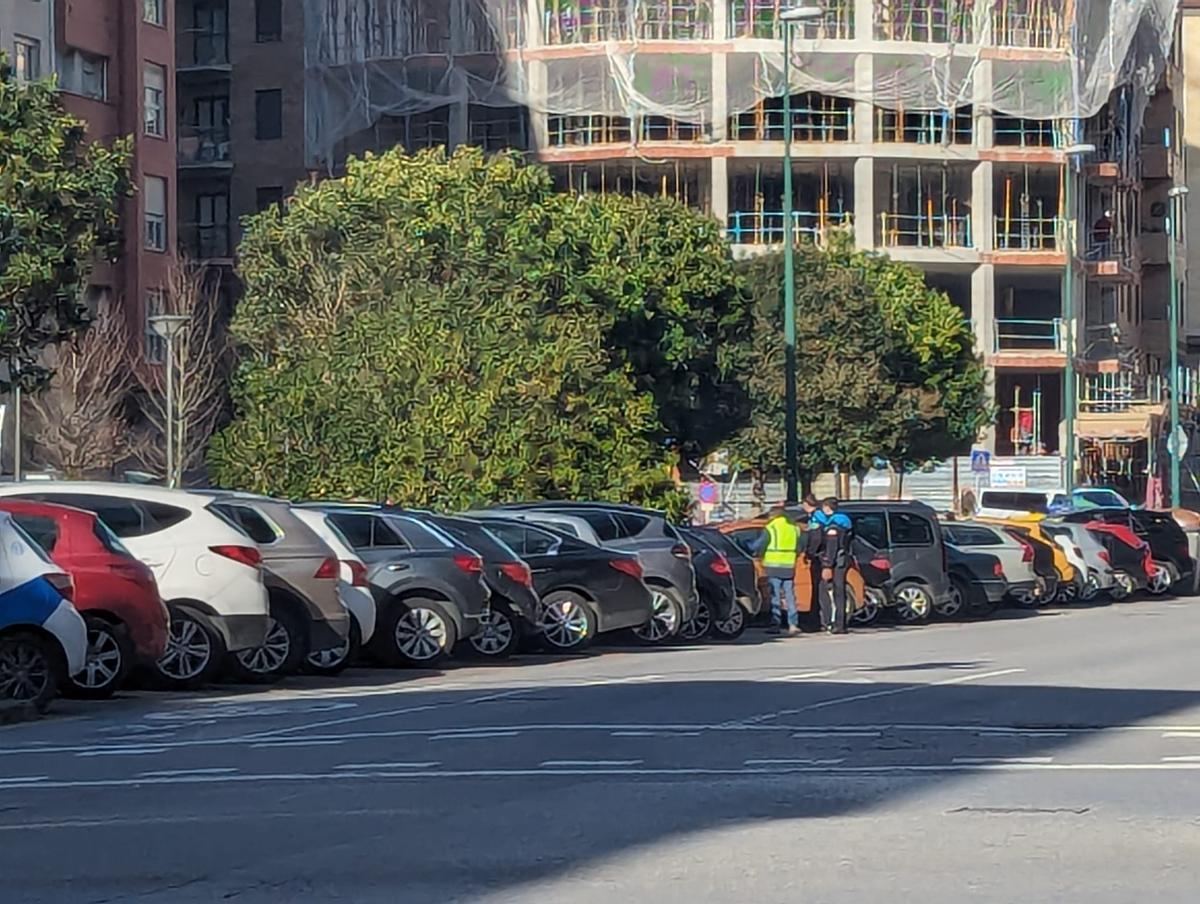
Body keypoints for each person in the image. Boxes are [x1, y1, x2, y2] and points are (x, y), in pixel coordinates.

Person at [757, 507, 801, 636]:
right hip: (789, 565)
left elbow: (760, 544)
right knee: (790, 596)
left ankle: (775, 624)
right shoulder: (794, 528)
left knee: (775, 596)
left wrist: (754, 551)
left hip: (773, 565)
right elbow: (800, 547)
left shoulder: (771, 527)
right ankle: (793, 624)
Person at [817, 497, 853, 635]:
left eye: (824, 507)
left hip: (836, 563)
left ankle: (836, 624)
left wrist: (827, 565)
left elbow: (832, 548)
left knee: (836, 593)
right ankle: (841, 624)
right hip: (843, 560)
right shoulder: (845, 521)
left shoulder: (833, 527)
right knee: (841, 592)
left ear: (828, 507)